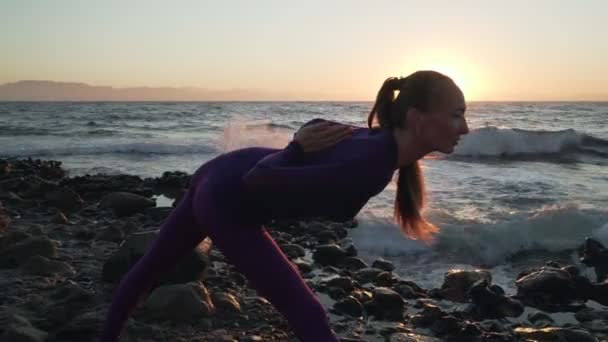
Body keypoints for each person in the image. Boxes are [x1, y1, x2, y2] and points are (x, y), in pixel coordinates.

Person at [98, 70, 469, 342]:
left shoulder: (379, 147)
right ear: (418, 120)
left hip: (216, 175)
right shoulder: (373, 160)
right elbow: (257, 180)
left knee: (151, 268)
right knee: (307, 313)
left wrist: (301, 144)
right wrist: (294, 148)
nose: (464, 127)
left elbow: (319, 131)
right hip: (229, 196)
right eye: (455, 114)